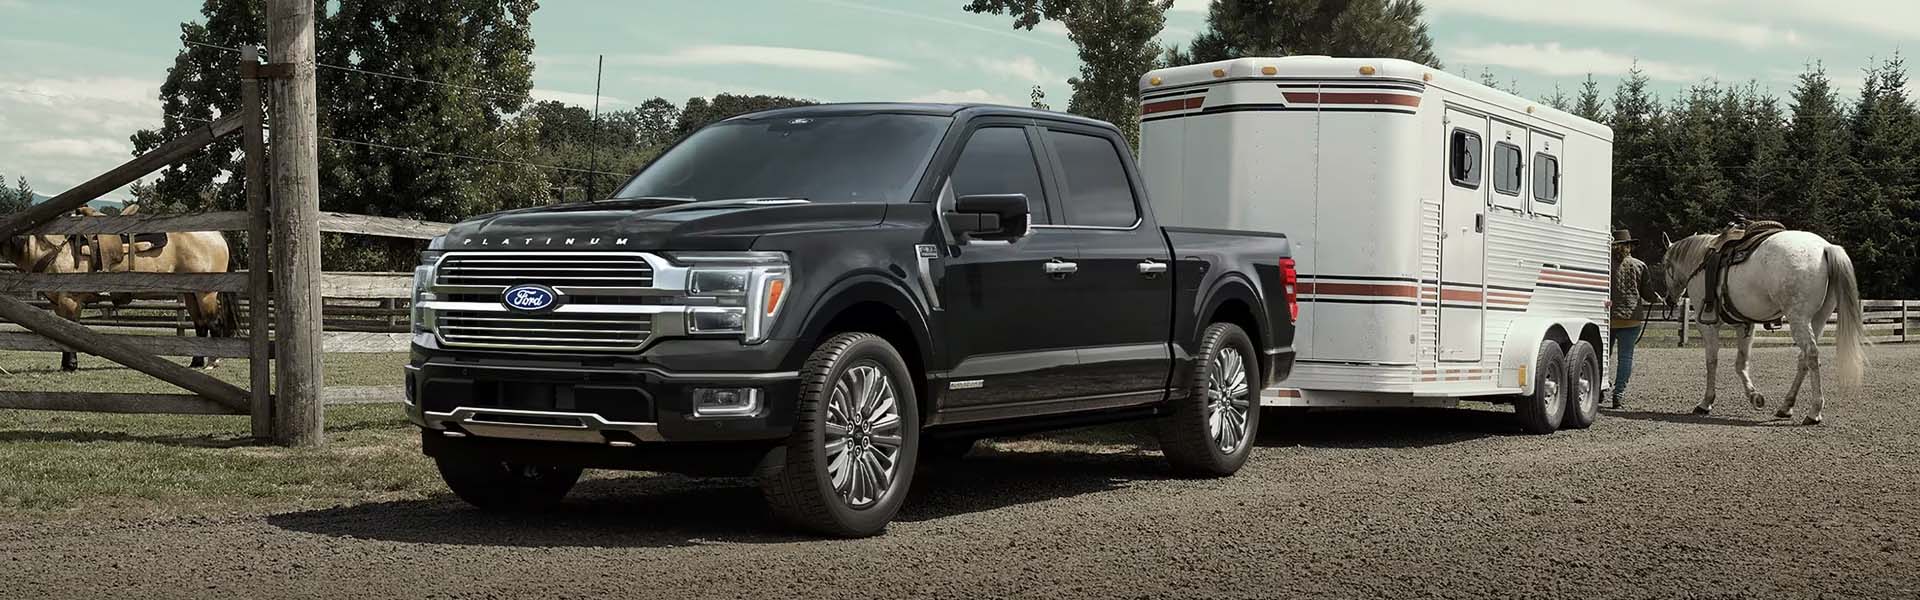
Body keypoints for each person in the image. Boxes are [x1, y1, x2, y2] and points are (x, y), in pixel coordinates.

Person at [1608, 228, 1661, 408]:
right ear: (1629, 246)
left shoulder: (1606, 264)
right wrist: (1657, 298)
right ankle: (1618, 394)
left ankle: (1599, 389)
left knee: (1603, 355)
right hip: (1631, 319)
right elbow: (1647, 293)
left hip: (1608, 317)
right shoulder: (1640, 265)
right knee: (1625, 358)